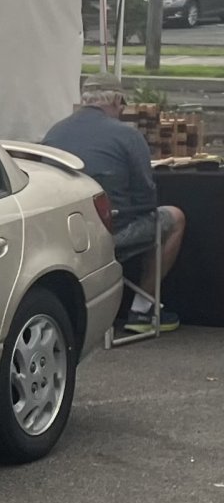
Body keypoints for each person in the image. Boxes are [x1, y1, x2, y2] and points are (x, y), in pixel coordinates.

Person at [42, 73, 186, 333]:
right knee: (173, 218)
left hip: (63, 233)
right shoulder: (126, 135)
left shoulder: (55, 131)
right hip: (113, 232)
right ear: (117, 100)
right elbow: (146, 198)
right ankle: (142, 309)